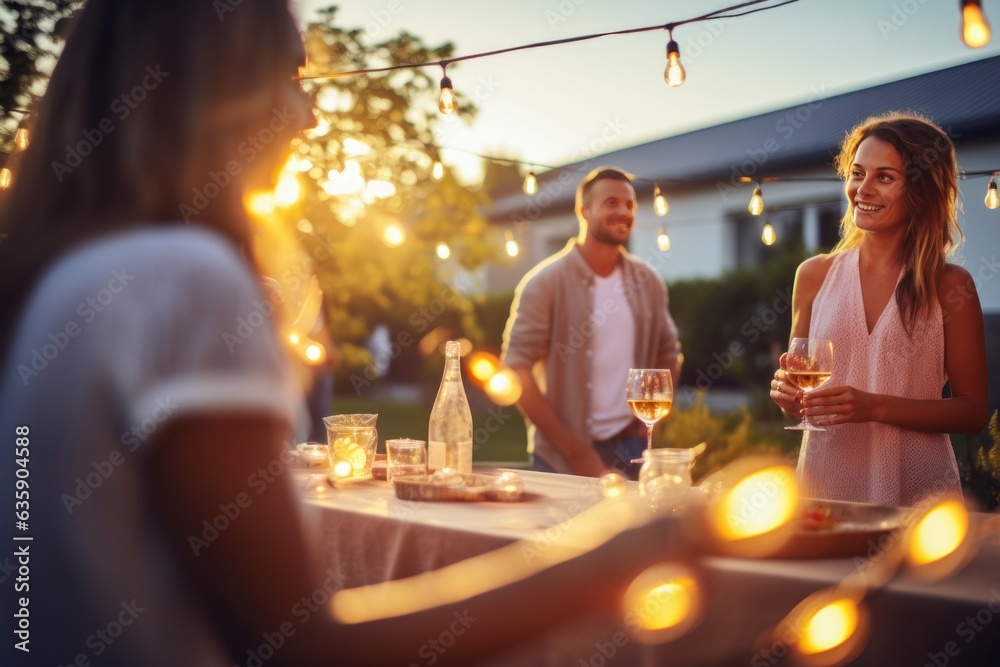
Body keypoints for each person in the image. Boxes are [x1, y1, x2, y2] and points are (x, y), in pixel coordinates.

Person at [0, 3, 688, 665]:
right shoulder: (185, 279)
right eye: (292, 79)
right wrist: (615, 557)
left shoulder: (60, 277)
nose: (311, 114)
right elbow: (301, 648)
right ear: (214, 91)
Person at [770, 111, 989, 507]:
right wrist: (788, 394)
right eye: (857, 173)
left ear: (921, 191)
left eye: (884, 177)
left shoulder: (951, 285)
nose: (863, 189)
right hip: (826, 486)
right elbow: (801, 383)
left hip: (918, 493)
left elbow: (972, 412)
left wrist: (874, 406)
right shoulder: (814, 275)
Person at [502, 167, 683, 479]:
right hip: (560, 456)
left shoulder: (647, 280)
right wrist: (577, 452)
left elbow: (670, 353)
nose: (624, 212)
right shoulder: (544, 283)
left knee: (633, 528)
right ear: (584, 210)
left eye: (630, 205)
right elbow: (518, 370)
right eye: (612, 203)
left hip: (630, 447)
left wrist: (648, 422)